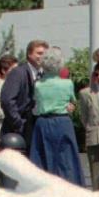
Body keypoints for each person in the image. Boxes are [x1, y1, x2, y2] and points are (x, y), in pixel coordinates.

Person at [28, 46, 83, 186]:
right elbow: (72, 102)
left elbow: (37, 104)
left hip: (43, 122)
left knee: (42, 159)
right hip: (63, 122)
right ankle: (70, 188)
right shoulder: (67, 83)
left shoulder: (38, 85)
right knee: (67, 160)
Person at [0, 39, 47, 146]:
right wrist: (19, 123)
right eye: (39, 53)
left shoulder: (45, 75)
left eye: (44, 54)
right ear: (29, 54)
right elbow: (7, 100)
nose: (42, 56)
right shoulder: (18, 72)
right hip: (19, 131)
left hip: (37, 128)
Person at [78, 60, 99, 189]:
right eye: (96, 74)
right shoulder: (85, 93)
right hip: (94, 137)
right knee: (96, 177)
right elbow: (84, 117)